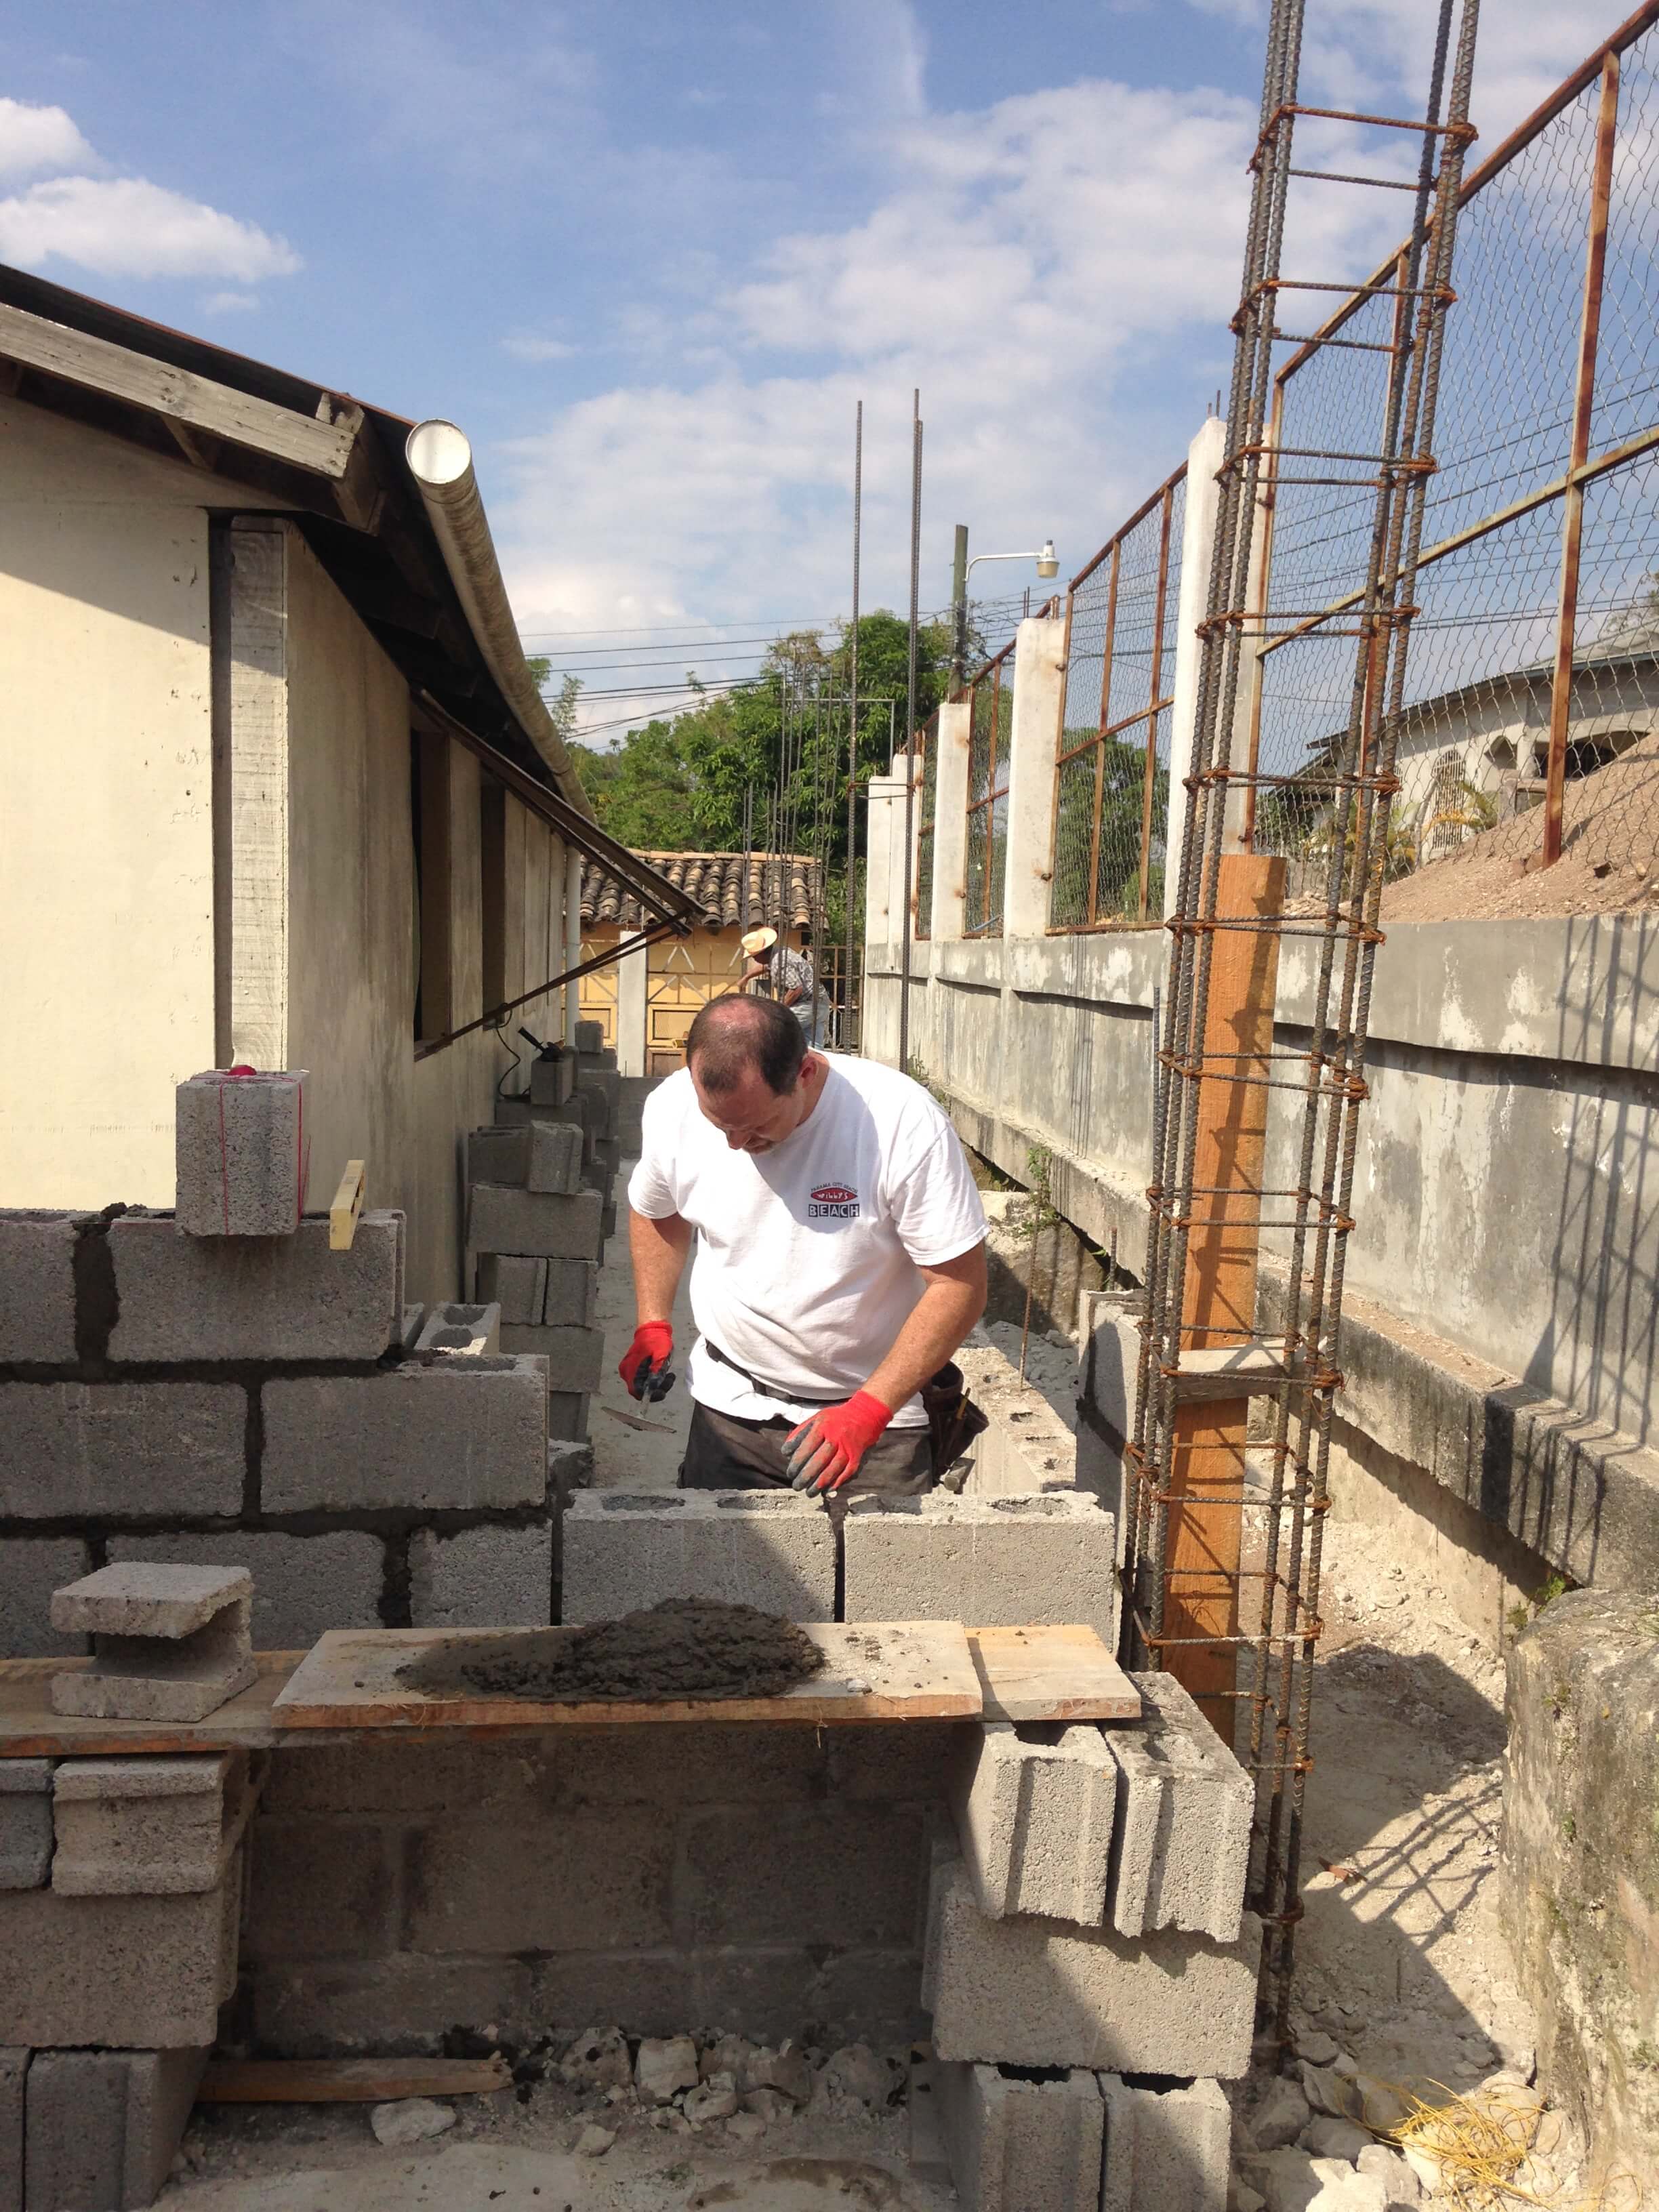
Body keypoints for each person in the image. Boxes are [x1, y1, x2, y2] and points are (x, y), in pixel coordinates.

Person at [619, 996, 987, 1495]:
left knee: (878, 1551)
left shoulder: (900, 1121)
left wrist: (869, 1411)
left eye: (756, 1125)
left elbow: (958, 1285)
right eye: (721, 1125)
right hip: (731, 1412)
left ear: (806, 1073)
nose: (735, 1144)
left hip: (876, 1427)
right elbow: (655, 1209)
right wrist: (653, 1322)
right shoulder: (672, 1108)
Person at [740, 924, 831, 1045]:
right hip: (819, 1002)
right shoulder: (779, 952)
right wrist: (747, 977)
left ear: (761, 954)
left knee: (773, 1027)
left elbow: (796, 988)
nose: (755, 960)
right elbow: (767, 967)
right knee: (812, 1046)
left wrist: (781, 1008)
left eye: (754, 956)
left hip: (807, 1005)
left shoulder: (779, 963)